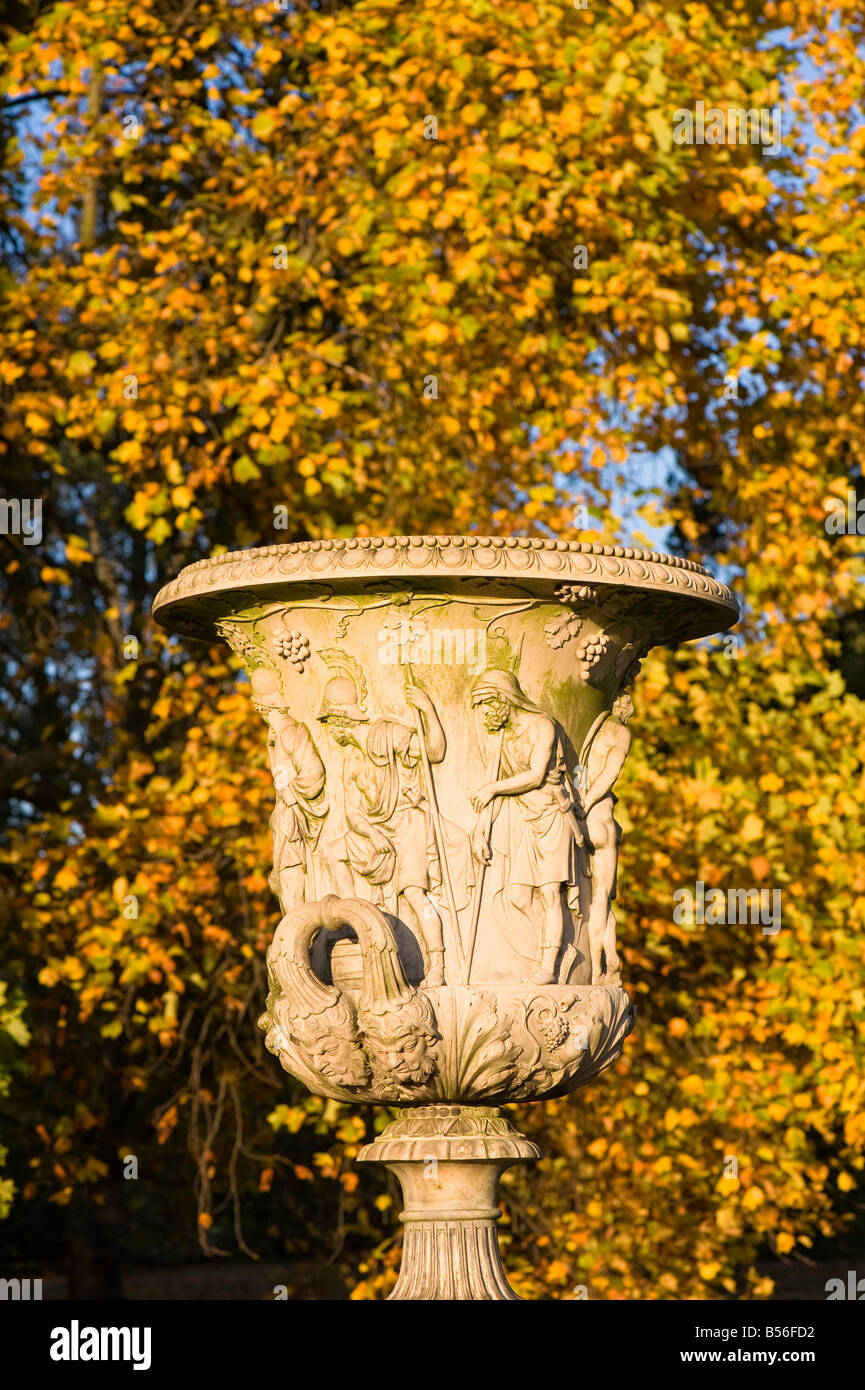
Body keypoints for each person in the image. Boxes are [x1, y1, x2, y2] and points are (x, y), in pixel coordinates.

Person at [318, 674, 449, 986]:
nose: (329, 730)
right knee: (333, 850)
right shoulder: (351, 761)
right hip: (377, 831)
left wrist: (427, 708)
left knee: (415, 893)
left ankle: (440, 964)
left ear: (340, 721)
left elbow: (435, 752)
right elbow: (351, 814)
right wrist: (372, 834)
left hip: (408, 822)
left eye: (330, 722)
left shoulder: (389, 735)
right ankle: (354, 924)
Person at [469, 669, 584, 984]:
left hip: (552, 816)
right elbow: (501, 795)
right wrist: (481, 829)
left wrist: (492, 787)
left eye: (486, 704)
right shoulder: (504, 737)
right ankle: (559, 949)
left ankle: (548, 963)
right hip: (527, 820)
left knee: (549, 894)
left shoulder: (542, 725)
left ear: (504, 698)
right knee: (518, 896)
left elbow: (534, 776)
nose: (484, 713)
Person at [577, 693, 633, 984]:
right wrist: (587, 802)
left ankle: (611, 962)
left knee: (597, 900)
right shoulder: (620, 732)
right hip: (600, 820)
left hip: (580, 821)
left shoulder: (590, 731)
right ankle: (596, 970)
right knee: (600, 899)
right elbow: (611, 773)